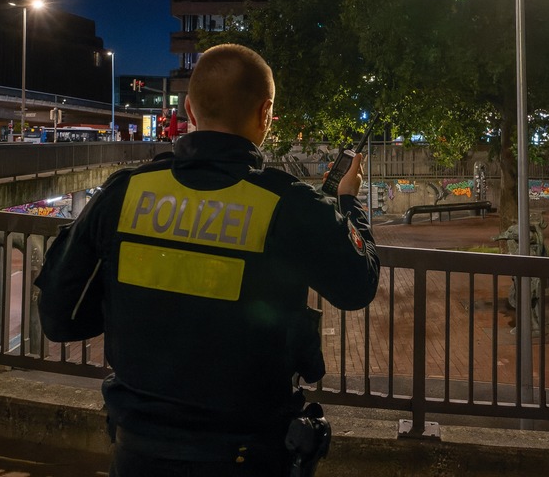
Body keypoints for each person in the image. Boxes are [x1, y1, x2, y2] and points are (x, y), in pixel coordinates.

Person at [34, 44, 381, 476]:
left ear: (189, 109)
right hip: (246, 454)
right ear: (265, 113)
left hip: (138, 451)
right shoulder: (288, 203)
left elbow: (60, 318)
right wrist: (348, 205)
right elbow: (357, 286)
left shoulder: (124, 192)